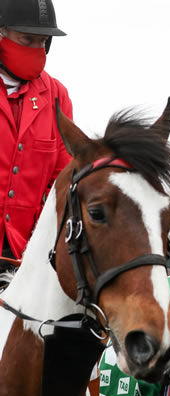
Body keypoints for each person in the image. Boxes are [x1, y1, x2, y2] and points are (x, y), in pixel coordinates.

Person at [0, 0, 72, 273]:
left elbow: (62, 179)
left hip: (26, 253)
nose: (36, 49)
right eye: (26, 39)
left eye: (42, 41)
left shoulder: (56, 96)